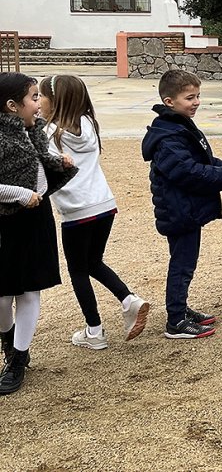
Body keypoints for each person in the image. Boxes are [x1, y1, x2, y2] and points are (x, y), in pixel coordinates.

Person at [39, 75, 149, 349]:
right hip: (104, 205)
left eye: (41, 96)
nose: (38, 102)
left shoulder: (50, 135)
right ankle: (128, 300)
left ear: (55, 101)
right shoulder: (88, 124)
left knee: (78, 269)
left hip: (77, 211)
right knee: (93, 262)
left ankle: (94, 330)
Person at [141, 70, 222, 340]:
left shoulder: (179, 125)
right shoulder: (169, 136)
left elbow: (201, 157)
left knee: (186, 262)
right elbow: (187, 171)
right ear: (169, 101)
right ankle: (175, 321)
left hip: (185, 209)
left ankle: (181, 309)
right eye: (189, 97)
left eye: (198, 96)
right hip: (178, 211)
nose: (196, 102)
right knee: (182, 265)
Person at [0, 72, 77, 395]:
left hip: (36, 218)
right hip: (5, 220)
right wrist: (19, 194)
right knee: (3, 296)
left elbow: (40, 165)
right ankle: (9, 340)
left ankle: (17, 358)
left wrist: (58, 162)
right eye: (33, 98)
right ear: (11, 106)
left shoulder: (34, 131)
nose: (38, 105)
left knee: (30, 290)